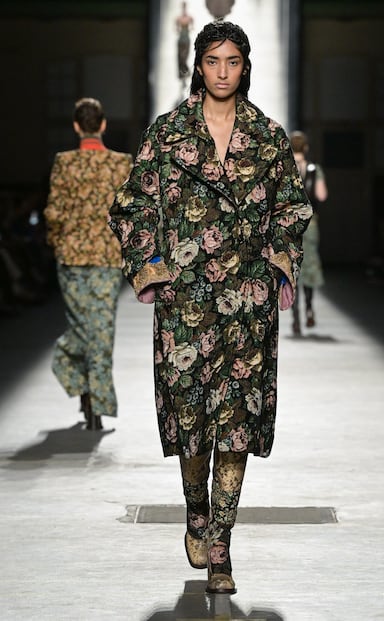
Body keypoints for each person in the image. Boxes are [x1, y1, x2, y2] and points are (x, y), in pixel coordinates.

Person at [108, 22, 312, 594]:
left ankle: (221, 548)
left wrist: (278, 263)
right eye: (214, 61)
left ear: (246, 67)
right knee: (193, 424)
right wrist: (152, 268)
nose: (223, 72)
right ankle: (196, 511)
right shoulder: (168, 133)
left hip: (248, 305)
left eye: (233, 61)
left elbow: (292, 209)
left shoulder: (267, 138)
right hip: (186, 305)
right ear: (198, 66)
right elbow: (132, 205)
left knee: (237, 426)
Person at [44, 98, 132, 430]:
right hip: (107, 257)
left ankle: (83, 387)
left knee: (81, 325)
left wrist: (56, 241)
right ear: (103, 125)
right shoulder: (121, 163)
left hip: (71, 256)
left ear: (76, 126)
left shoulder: (64, 163)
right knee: (101, 328)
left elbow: (54, 211)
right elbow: (128, 212)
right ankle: (96, 401)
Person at [289, 131, 328, 335]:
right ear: (305, 147)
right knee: (309, 264)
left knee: (292, 268)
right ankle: (310, 309)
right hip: (310, 222)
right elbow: (321, 195)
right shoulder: (314, 169)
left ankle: (295, 318)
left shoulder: (285, 167)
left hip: (289, 223)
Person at [176, 1, 194, 80]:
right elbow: (176, 28)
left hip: (186, 39)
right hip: (181, 39)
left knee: (184, 57)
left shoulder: (189, 18)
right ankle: (183, 73)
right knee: (180, 57)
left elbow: (192, 26)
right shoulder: (179, 18)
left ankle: (185, 71)